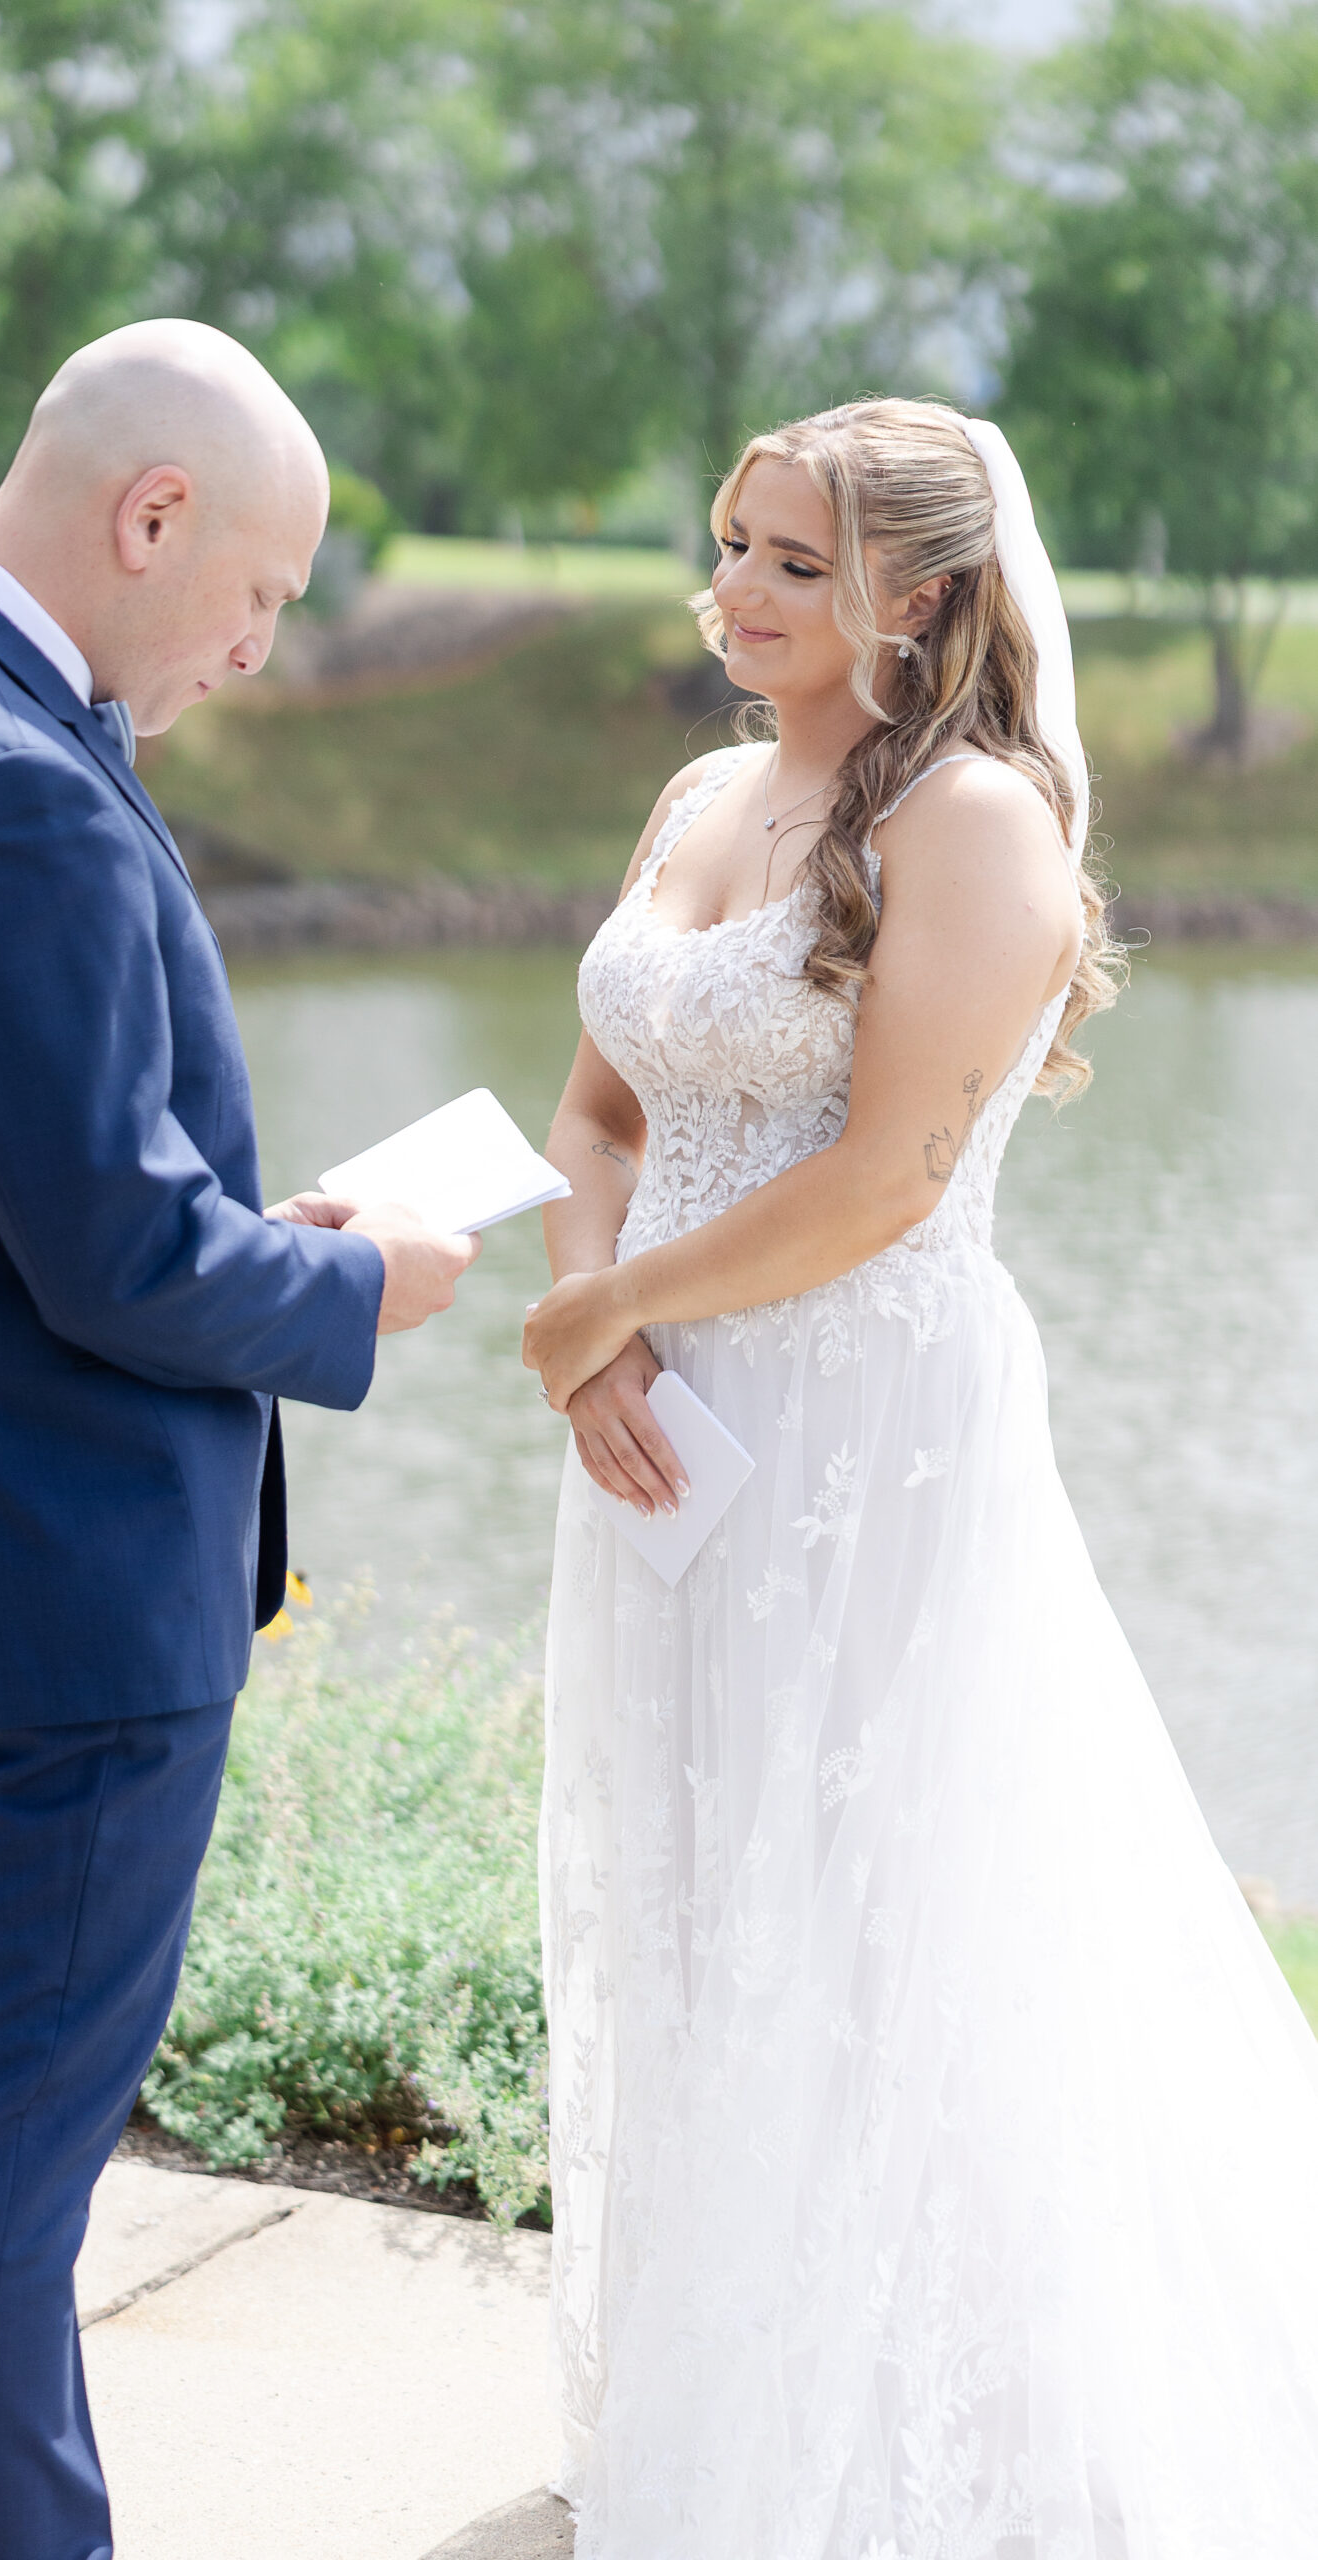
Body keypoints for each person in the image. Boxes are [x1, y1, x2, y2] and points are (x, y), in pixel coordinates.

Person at [524, 398, 1318, 2556]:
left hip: (857, 1442)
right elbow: (596, 1105)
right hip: (660, 1431)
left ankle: (910, 2441)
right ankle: (718, 2381)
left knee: (871, 1912)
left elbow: (881, 1179)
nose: (737, 589)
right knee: (691, 1892)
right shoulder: (699, 792)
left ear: (926, 591)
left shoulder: (972, 826)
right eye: (729, 542)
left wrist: (619, 1311)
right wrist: (587, 1300)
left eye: (792, 557)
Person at [0, 318, 476, 2560]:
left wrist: (247, 1227)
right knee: (4, 2143)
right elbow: (115, 1258)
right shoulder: (15, 781)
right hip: (62, 1580)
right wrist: (356, 1280)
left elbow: (14, 1187)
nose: (255, 647)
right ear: (151, 518)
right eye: (256, 593)